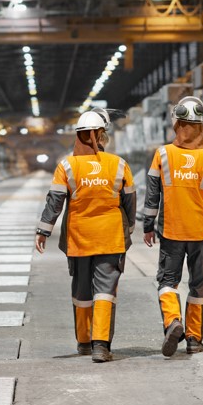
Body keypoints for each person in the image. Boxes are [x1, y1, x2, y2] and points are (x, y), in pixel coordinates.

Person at [35, 109, 136, 363]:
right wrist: (130, 228)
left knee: (81, 289)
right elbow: (129, 201)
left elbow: (55, 201)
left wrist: (44, 230)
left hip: (79, 239)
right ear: (100, 135)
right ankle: (101, 345)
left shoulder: (67, 165)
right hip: (110, 238)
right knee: (105, 291)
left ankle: (83, 342)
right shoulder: (118, 164)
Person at [142, 96, 203, 356]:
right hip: (199, 232)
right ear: (202, 125)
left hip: (171, 231)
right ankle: (194, 339)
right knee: (198, 285)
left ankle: (173, 321)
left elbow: (152, 195)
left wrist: (148, 225)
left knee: (168, 281)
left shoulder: (163, 154)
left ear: (176, 124)